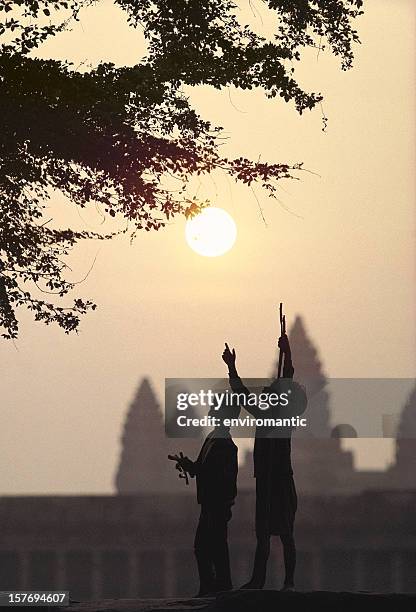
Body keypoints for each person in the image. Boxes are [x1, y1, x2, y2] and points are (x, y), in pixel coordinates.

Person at [222, 334, 298, 591]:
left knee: (286, 534)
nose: (263, 395)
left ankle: (288, 581)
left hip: (281, 480)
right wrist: (232, 368)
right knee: (263, 534)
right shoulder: (263, 416)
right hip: (266, 481)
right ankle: (259, 580)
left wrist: (287, 350)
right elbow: (242, 394)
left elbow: (288, 375)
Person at [170, 402, 239, 597]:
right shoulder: (212, 438)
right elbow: (201, 469)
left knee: (212, 545)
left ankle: (221, 585)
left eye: (214, 409)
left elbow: (220, 477)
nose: (210, 412)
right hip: (209, 502)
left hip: (218, 503)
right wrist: (186, 465)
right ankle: (211, 586)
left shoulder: (225, 444)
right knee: (205, 546)